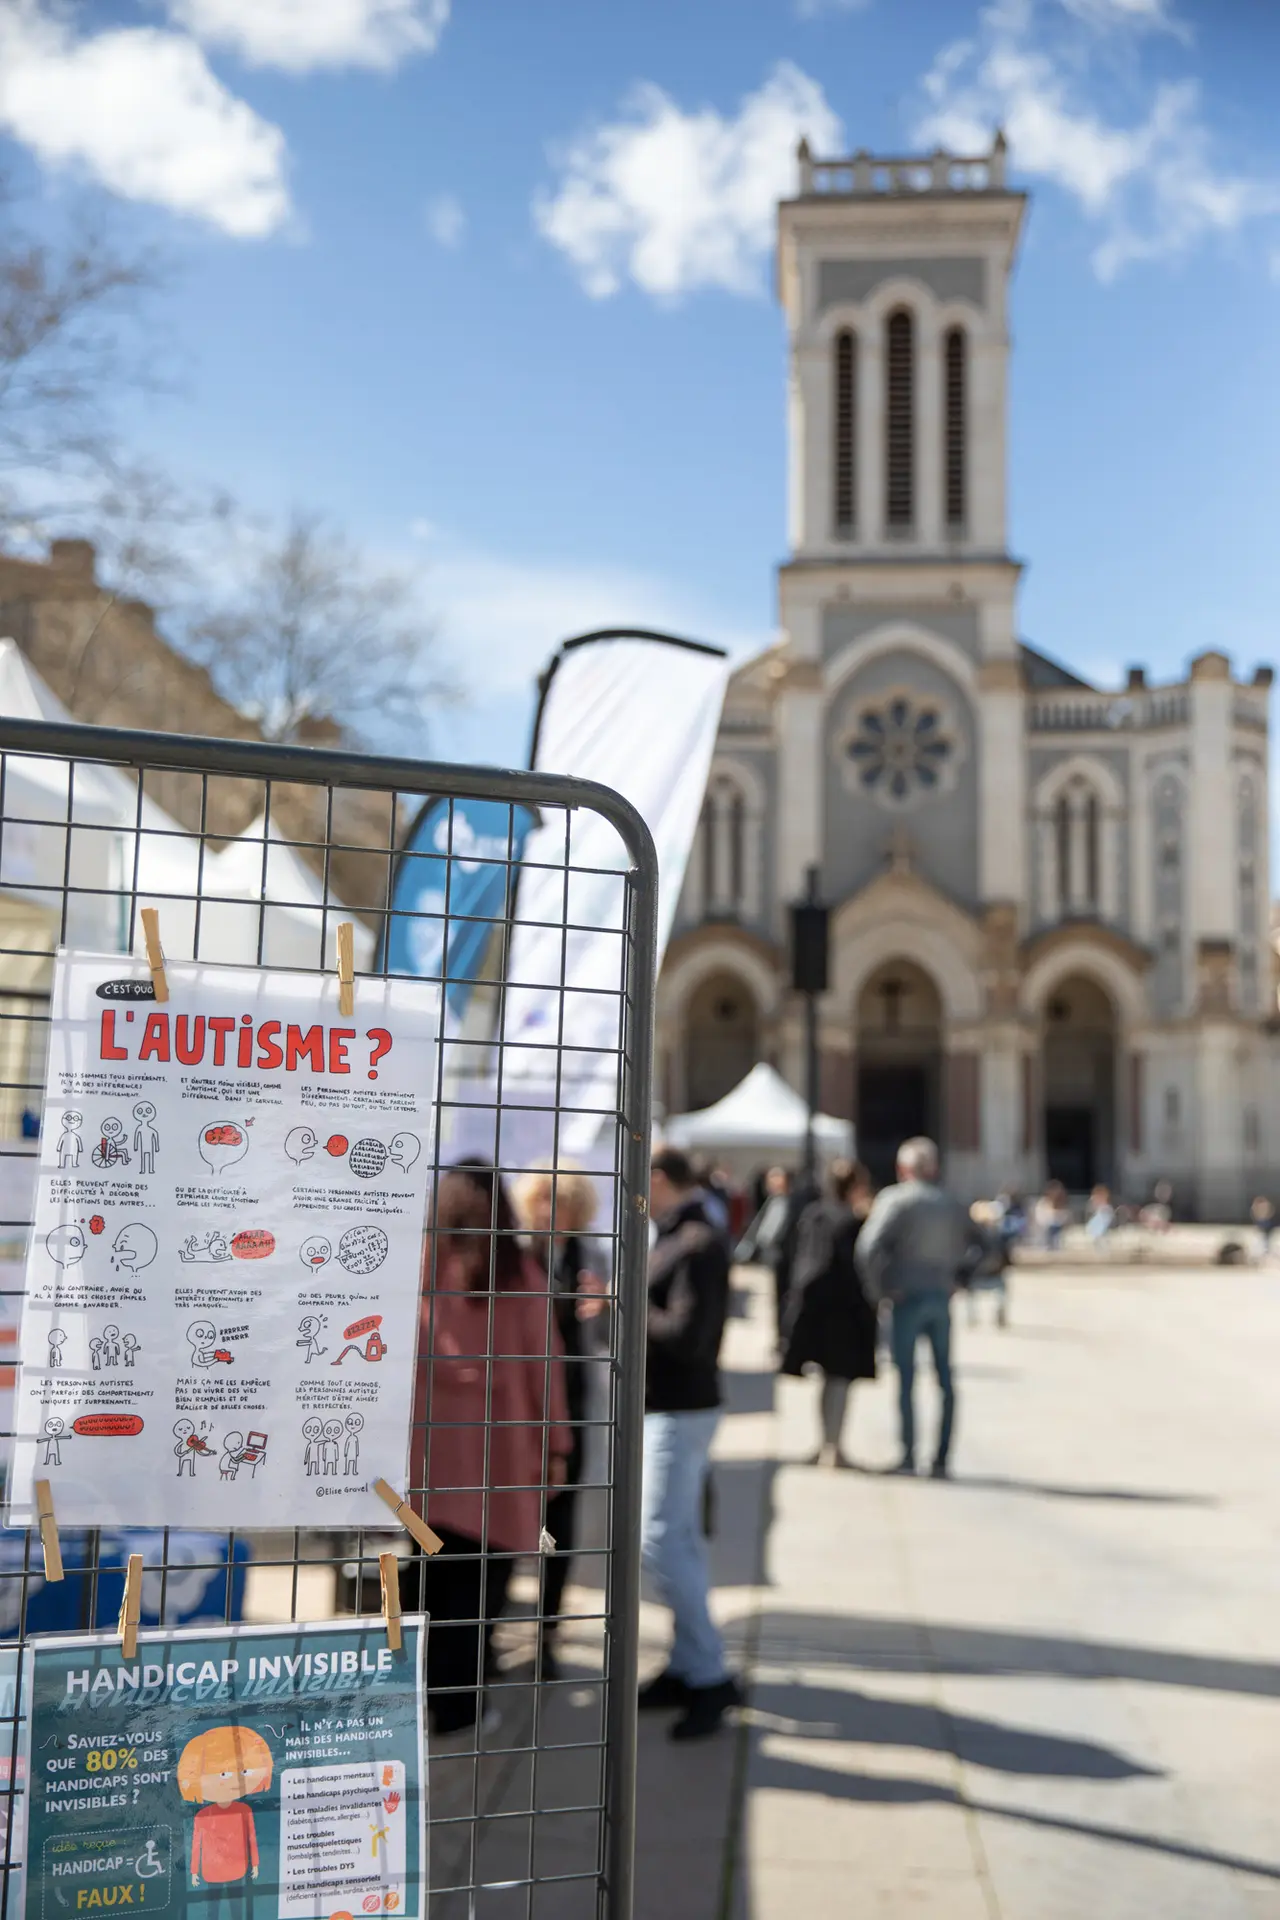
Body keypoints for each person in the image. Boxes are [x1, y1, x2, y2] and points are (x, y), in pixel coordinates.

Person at [408, 1163, 570, 1739]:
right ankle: (461, 1708)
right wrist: (557, 1444)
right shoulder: (519, 1273)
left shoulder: (419, 1265)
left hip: (426, 1456)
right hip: (498, 1454)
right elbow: (546, 1369)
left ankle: (422, 1697)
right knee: (482, 1583)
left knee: (426, 1574)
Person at [640, 1145, 739, 1741]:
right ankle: (687, 1665)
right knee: (679, 1539)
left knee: (660, 1539)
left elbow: (687, 1334)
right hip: (670, 1406)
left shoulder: (697, 1240)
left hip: (680, 1408)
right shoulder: (678, 1234)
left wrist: (627, 1304)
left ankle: (708, 1673)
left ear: (659, 1179)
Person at [513, 1162, 608, 1681]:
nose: (552, 1211)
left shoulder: (592, 1255)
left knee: (560, 1519)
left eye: (563, 1202)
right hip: (516, 1405)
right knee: (506, 1510)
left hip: (570, 1404)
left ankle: (547, 1629)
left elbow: (609, 1334)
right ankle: (490, 1624)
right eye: (544, 1200)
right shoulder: (514, 1253)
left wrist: (606, 1305)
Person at [855, 1137, 975, 1480]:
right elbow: (987, 1245)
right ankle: (941, 1459)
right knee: (945, 1379)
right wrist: (962, 1278)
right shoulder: (951, 1202)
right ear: (934, 1168)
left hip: (906, 1298)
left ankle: (908, 1455)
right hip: (940, 1296)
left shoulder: (894, 1200)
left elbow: (868, 1248)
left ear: (902, 1168)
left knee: (906, 1379)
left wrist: (879, 1290)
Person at [778, 1160, 877, 1468]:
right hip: (844, 1310)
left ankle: (826, 1443)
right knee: (839, 1379)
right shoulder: (851, 1221)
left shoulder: (814, 1214)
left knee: (827, 1379)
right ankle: (833, 1448)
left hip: (814, 1307)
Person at [735, 1166, 796, 1339]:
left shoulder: (784, 1201)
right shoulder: (776, 1200)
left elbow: (769, 1233)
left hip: (782, 1256)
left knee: (783, 1298)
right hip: (777, 1256)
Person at [1035, 1180, 1070, 1251]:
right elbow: (1042, 1219)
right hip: (1044, 1232)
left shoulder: (1062, 1204)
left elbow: (1065, 1218)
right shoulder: (1042, 1203)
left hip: (1059, 1233)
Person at [1250, 1194, 1274, 1262]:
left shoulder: (1276, 1231)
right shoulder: (1249, 1231)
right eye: (1259, 1208)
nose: (1262, 1210)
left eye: (1264, 1208)